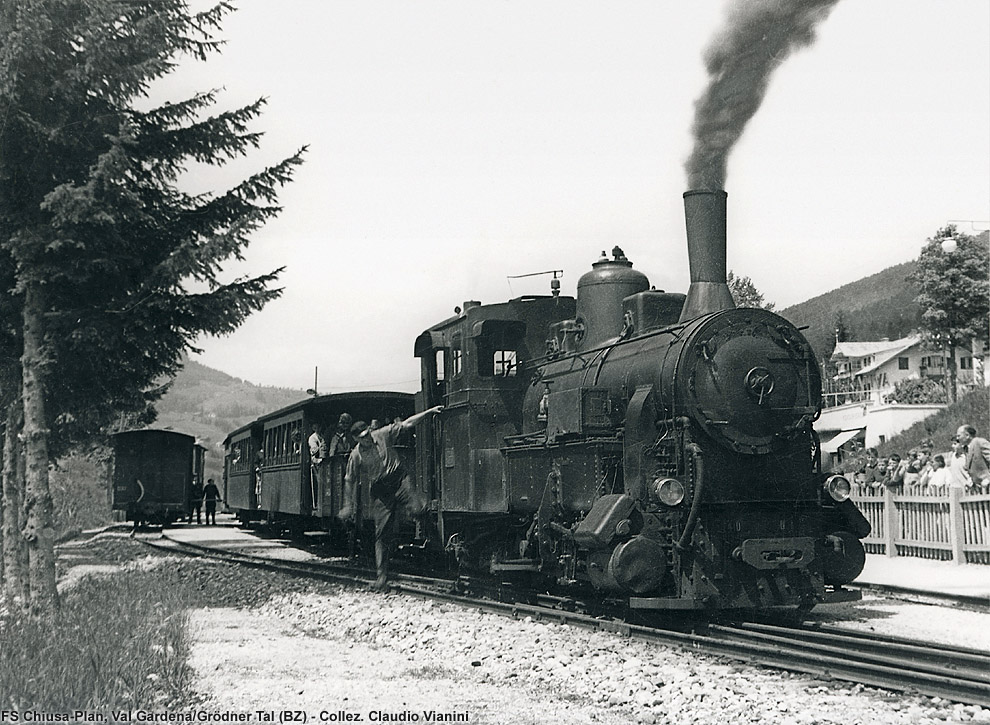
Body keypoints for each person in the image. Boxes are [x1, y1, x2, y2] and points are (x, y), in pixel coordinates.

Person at [339, 405, 444, 591]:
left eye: (367, 434)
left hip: (399, 479)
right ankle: (381, 578)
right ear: (356, 439)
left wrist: (428, 413)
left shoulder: (382, 434)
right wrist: (348, 504)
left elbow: (407, 423)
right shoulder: (355, 456)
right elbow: (349, 479)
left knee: (419, 509)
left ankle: (437, 545)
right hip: (380, 491)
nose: (367, 439)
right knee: (382, 533)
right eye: (362, 438)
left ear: (370, 431)